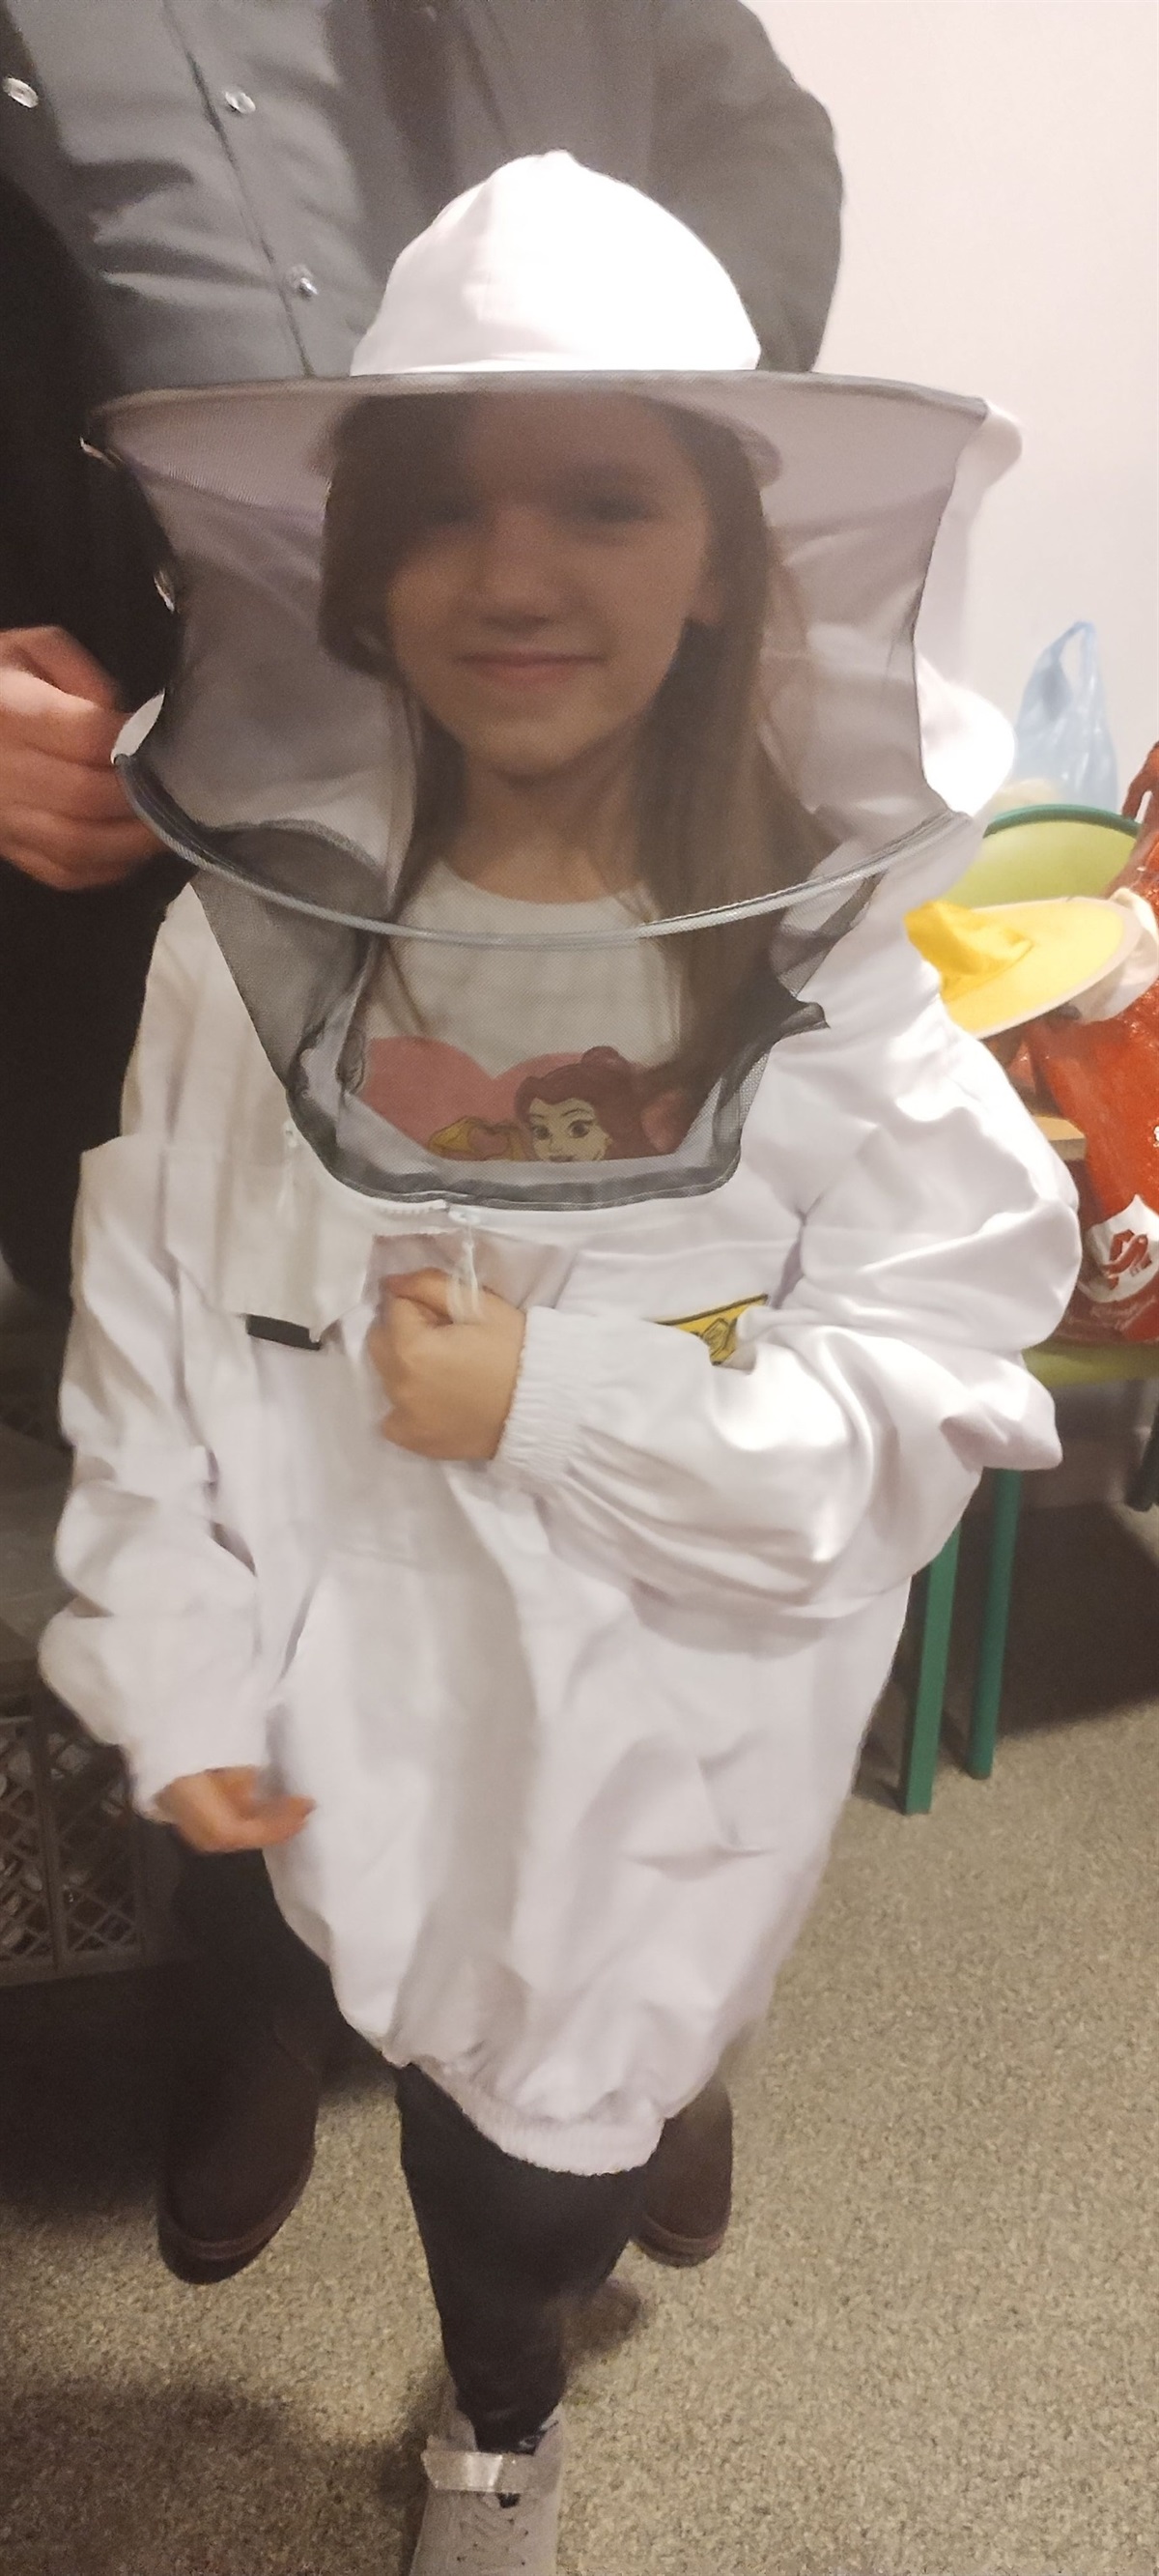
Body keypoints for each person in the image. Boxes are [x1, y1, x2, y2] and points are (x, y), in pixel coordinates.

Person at [41, 157, 1079, 2569]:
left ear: (718, 552)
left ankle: (503, 2420)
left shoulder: (828, 965)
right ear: (357, 562)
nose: (515, 572)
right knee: (423, 2025)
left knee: (536, 2156)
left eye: (602, 498)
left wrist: (562, 1404)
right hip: (371, 1692)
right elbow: (157, 1319)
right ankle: (621, 2103)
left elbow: (934, 1373)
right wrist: (169, 1646)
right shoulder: (249, 936)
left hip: (667, 1725)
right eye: (447, 505)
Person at [0, 1, 842, 2279]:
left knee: (622, 1418)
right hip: (187, 861)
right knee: (251, 1442)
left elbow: (761, 151)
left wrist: (617, 437)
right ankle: (253, 1980)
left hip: (616, 825)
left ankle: (639, 2017)